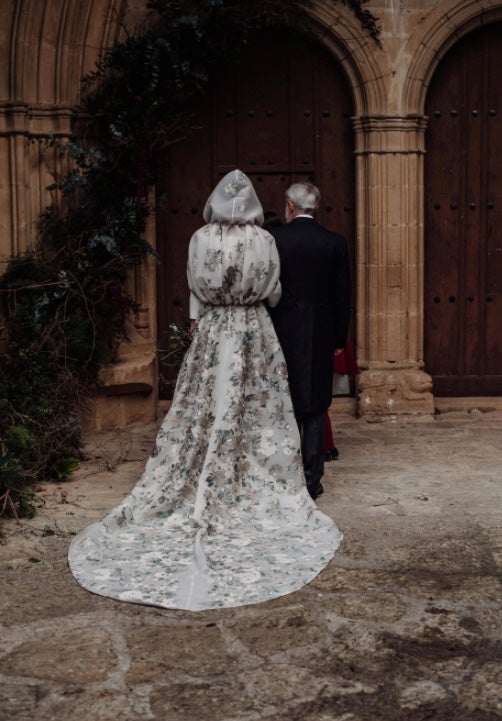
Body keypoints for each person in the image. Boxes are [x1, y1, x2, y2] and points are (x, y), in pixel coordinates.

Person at [68, 170, 343, 611]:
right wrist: (254, 302)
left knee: (204, 400)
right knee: (257, 405)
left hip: (213, 330)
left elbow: (193, 288)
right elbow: (273, 291)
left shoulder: (199, 238)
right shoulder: (264, 239)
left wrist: (203, 315)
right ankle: (250, 472)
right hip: (253, 330)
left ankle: (198, 470)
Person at [268, 181, 351, 500]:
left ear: (290, 206)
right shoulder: (335, 243)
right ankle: (311, 480)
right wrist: (339, 337)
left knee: (282, 402)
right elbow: (343, 296)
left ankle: (282, 476)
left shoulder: (274, 239)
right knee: (316, 405)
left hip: (281, 331)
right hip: (320, 331)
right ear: (316, 207)